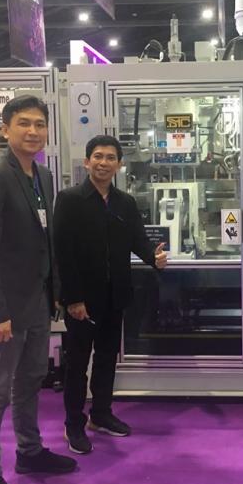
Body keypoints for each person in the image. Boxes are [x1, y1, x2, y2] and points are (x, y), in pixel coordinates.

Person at [0, 95, 77, 484]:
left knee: (31, 379)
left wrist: (55, 292)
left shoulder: (42, 176)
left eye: (39, 124)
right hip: (6, 308)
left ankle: (29, 451)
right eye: (24, 123)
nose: (33, 131)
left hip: (37, 302)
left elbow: (47, 240)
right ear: (5, 129)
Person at [53, 135, 168, 454]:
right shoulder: (69, 199)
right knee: (77, 363)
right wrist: (73, 299)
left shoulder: (125, 203)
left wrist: (154, 258)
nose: (103, 163)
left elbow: (137, 240)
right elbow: (63, 253)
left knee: (106, 359)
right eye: (98, 157)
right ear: (87, 161)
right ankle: (73, 424)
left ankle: (100, 414)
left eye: (110, 158)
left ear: (119, 164)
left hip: (115, 296)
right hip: (82, 300)